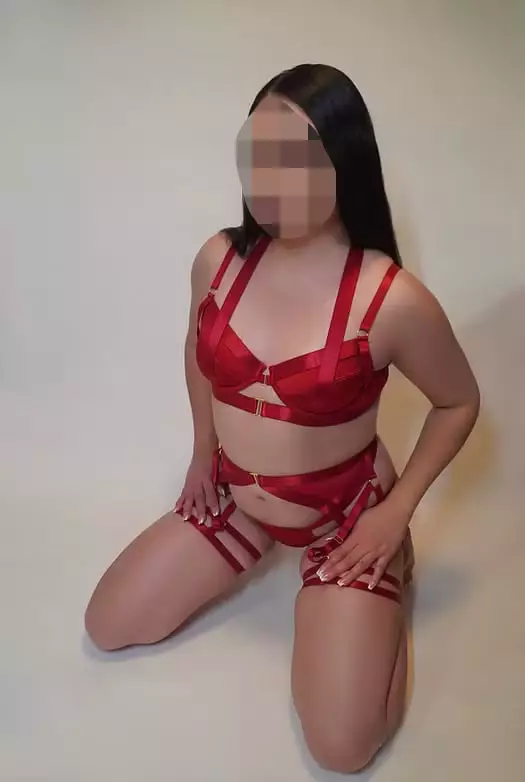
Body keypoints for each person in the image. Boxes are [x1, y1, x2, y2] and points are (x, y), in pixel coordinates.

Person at [85, 64, 480, 773]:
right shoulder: (219, 260)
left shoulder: (391, 299)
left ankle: (387, 582)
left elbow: (458, 402)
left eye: (298, 157)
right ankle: (269, 547)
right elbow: (196, 349)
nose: (272, 178)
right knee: (108, 623)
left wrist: (394, 517)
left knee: (341, 747)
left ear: (345, 163)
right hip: (237, 494)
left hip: (345, 516)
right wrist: (203, 451)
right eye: (259, 154)